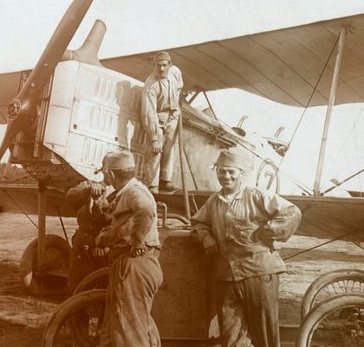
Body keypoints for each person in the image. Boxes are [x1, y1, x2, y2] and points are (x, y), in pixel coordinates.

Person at [191, 146, 301, 347]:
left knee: (264, 335)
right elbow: (198, 222)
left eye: (231, 172)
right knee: (230, 335)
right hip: (227, 277)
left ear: (241, 173)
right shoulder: (214, 201)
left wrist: (268, 232)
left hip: (259, 274)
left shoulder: (256, 195)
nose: (226, 176)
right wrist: (206, 236)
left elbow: (292, 212)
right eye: (222, 171)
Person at [94, 150, 163, 347]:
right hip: (128, 264)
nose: (104, 176)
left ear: (111, 174)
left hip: (133, 265)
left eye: (105, 173)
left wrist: (137, 240)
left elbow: (146, 210)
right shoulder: (126, 192)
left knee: (129, 334)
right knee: (114, 328)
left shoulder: (134, 192)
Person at [141, 51, 183, 194]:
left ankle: (165, 180)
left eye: (165, 65)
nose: (162, 69)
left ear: (170, 65)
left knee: (169, 149)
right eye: (158, 65)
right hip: (158, 118)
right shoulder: (150, 85)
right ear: (154, 66)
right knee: (155, 150)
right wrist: (154, 138)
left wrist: (176, 109)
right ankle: (153, 185)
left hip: (173, 116)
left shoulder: (176, 72)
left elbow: (179, 87)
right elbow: (149, 113)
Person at [65, 180, 110, 295]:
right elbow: (70, 196)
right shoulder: (90, 184)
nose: (107, 170)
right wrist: (88, 192)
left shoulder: (122, 192)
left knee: (104, 285)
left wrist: (102, 243)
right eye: (106, 166)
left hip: (105, 245)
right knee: (77, 285)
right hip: (83, 244)